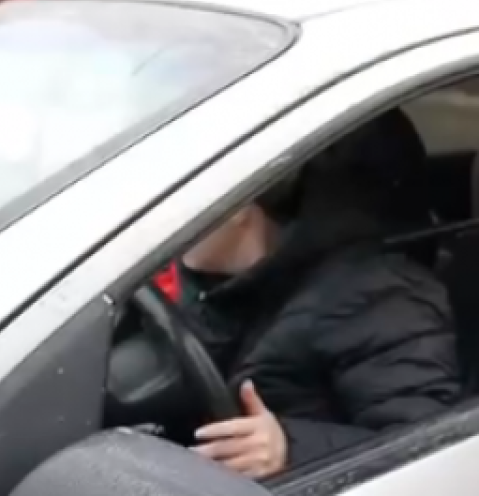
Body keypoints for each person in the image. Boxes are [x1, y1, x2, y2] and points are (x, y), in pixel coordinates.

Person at [178, 115, 461, 479]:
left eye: (186, 201)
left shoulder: (379, 297)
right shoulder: (230, 284)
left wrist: (292, 449)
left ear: (239, 204)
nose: (168, 222)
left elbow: (429, 451)